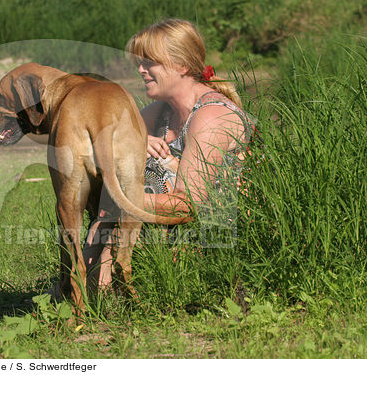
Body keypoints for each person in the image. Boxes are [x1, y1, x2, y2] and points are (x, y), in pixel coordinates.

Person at [82, 18, 256, 292]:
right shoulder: (159, 112)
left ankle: (94, 293)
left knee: (122, 197)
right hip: (170, 230)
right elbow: (95, 153)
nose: (141, 70)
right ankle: (88, 292)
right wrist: (132, 145)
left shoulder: (212, 117)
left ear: (181, 65)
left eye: (150, 62)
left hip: (217, 237)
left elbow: (188, 204)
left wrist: (121, 202)